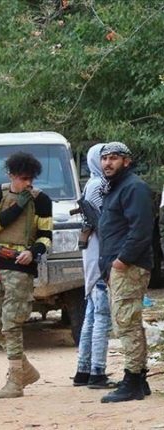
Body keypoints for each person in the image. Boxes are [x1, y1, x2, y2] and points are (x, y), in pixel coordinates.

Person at [0, 151, 52, 399]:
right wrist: (18, 206)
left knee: (11, 323)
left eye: (31, 179)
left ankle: (15, 380)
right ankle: (26, 370)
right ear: (11, 175)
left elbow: (46, 237)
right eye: (23, 178)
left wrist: (33, 252)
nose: (28, 184)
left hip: (21, 267)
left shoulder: (41, 200)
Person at [96, 142, 154, 403]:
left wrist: (122, 261)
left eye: (114, 158)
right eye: (104, 158)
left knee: (126, 323)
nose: (108, 163)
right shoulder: (115, 187)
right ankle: (138, 379)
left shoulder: (134, 187)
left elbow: (141, 229)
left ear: (126, 161)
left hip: (129, 267)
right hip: (117, 267)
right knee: (127, 322)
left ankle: (132, 381)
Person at [73, 144, 113, 388]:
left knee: (91, 315)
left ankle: (83, 370)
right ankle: (97, 372)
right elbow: (105, 223)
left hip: (93, 257)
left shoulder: (92, 183)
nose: (108, 162)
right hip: (100, 257)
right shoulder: (99, 186)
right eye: (104, 157)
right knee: (102, 316)